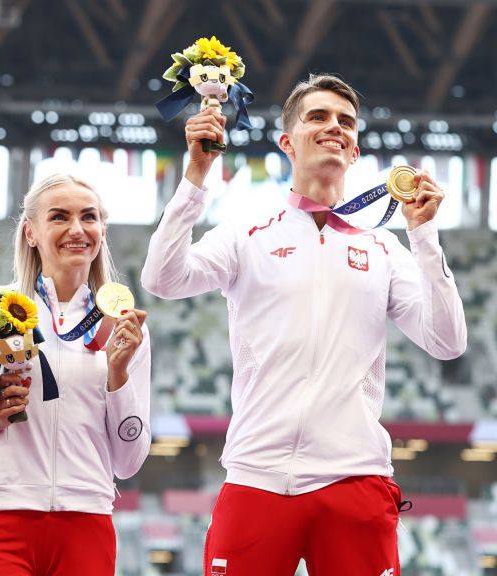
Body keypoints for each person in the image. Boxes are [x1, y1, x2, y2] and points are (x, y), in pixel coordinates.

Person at [141, 74, 467, 575]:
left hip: (354, 479)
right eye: (318, 117)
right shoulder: (246, 232)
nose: (334, 127)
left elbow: (448, 342)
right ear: (287, 143)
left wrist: (424, 237)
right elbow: (162, 278)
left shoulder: (383, 247)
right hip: (256, 476)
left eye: (346, 122)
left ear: (356, 150)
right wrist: (195, 176)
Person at [0, 173, 151, 576]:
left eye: (89, 217)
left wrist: (118, 376)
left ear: (102, 229)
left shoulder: (122, 326)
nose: (76, 229)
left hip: (86, 519)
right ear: (30, 232)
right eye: (59, 217)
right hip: (0, 516)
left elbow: (129, 461)